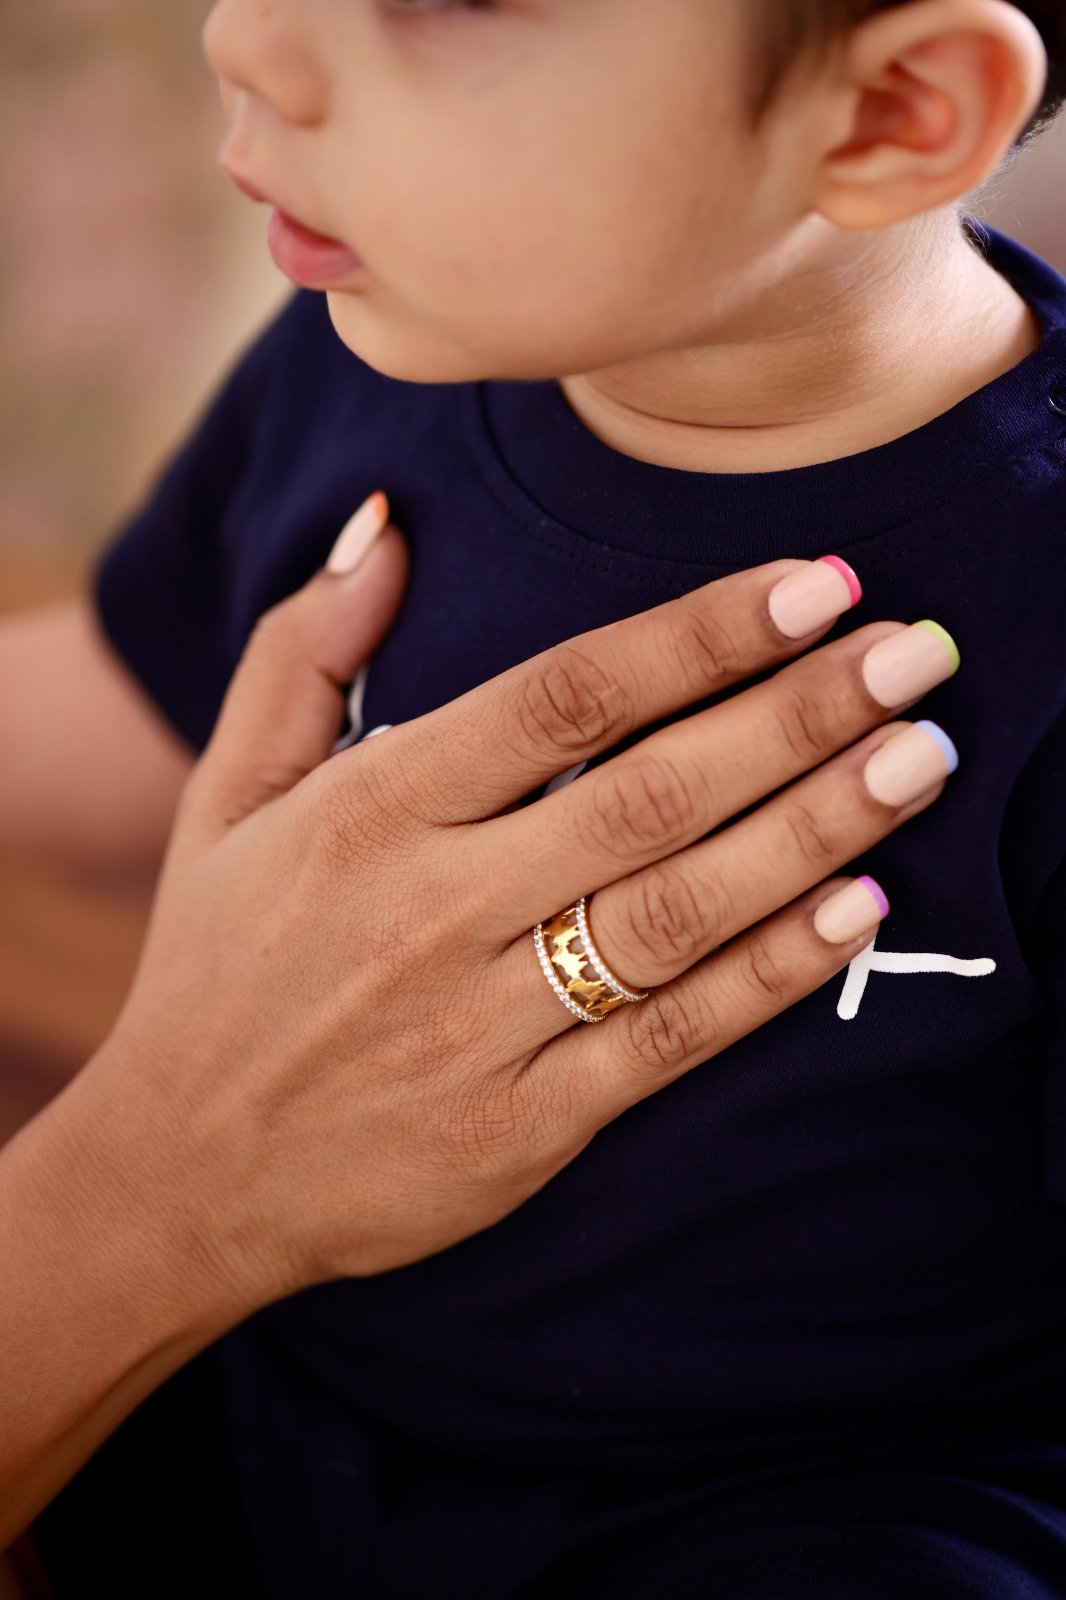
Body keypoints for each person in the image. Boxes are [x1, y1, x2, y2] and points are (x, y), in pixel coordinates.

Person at [5, 0, 1066, 1591]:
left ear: (894, 111)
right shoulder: (371, 348)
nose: (245, 41)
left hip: (796, 1500)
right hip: (257, 1365)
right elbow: (149, 691)